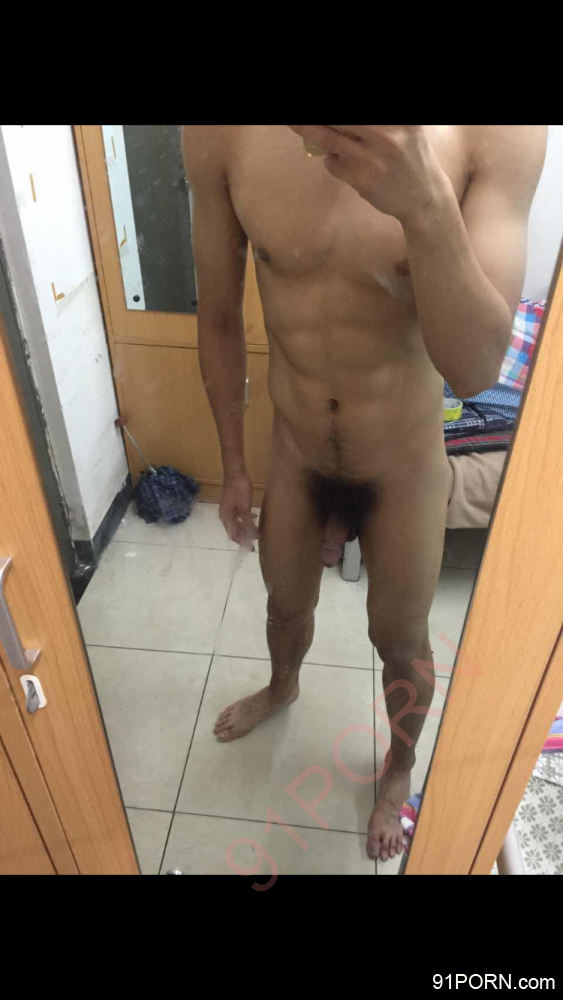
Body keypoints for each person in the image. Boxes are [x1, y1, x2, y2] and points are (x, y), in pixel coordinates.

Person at [182, 125, 547, 863]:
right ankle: (282, 688)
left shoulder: (496, 134)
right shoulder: (221, 132)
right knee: (283, 606)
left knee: (401, 641)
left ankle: (398, 767)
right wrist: (233, 465)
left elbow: (478, 369)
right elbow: (217, 314)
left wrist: (424, 205)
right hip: (296, 449)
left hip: (401, 464)